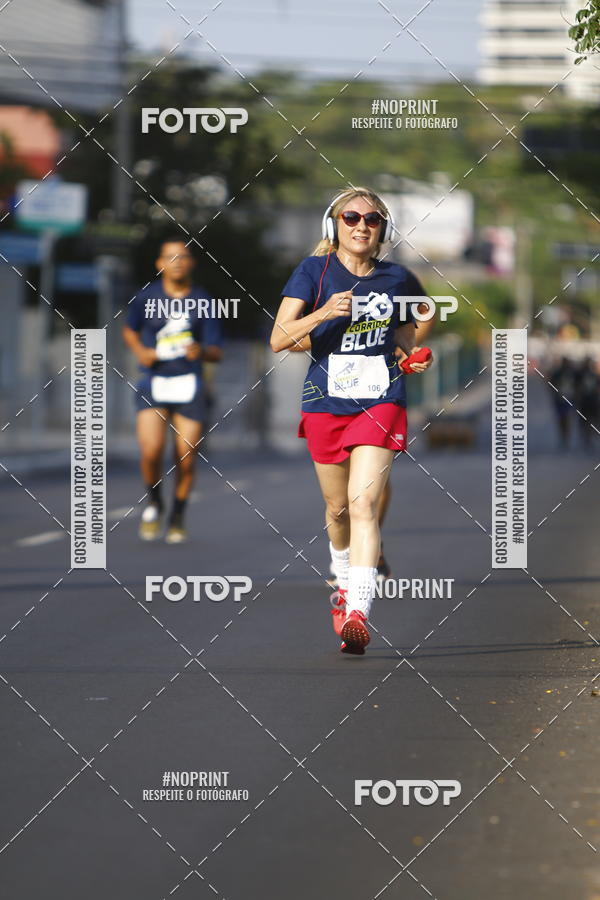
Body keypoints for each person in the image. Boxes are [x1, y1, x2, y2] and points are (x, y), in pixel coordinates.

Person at [270, 188, 433, 654]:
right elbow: (279, 339)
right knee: (337, 509)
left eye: (373, 219)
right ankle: (342, 580)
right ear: (334, 224)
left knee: (364, 506)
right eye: (351, 216)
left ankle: (358, 609)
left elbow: (405, 331)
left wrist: (413, 354)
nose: (361, 225)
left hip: (381, 399)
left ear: (384, 228)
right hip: (325, 402)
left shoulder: (397, 277)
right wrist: (325, 311)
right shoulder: (312, 272)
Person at [122, 237, 223, 543]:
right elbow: (130, 329)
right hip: (154, 381)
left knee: (186, 457)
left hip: (189, 385)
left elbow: (217, 350)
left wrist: (201, 351)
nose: (176, 262)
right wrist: (140, 351)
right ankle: (154, 501)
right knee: (151, 451)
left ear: (191, 263)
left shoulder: (203, 301)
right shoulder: (146, 297)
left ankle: (177, 514)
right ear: (159, 264)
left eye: (182, 257)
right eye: (170, 257)